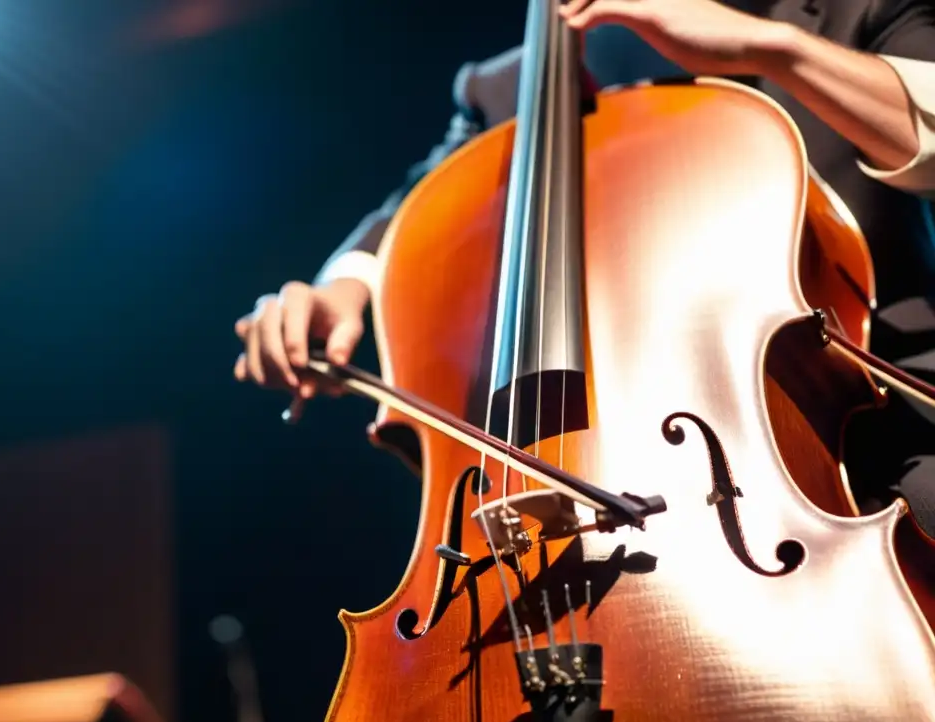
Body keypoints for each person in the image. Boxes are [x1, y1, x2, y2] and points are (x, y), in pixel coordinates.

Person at [234, 0, 935, 524]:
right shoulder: (511, 91)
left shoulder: (850, 9)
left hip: (874, 447)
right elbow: (413, 212)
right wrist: (342, 285)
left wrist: (775, 49)